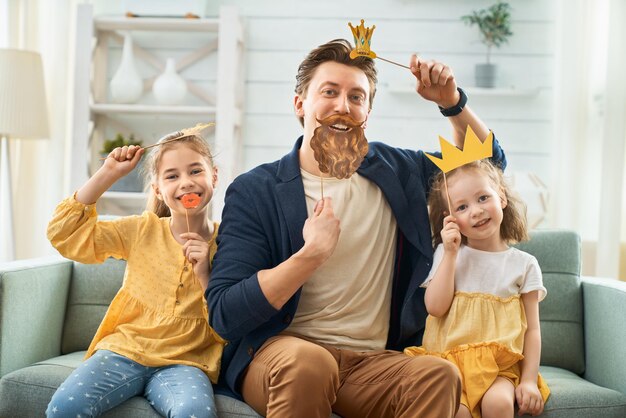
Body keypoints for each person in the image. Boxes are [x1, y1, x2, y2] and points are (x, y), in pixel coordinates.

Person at [207, 38, 507, 418]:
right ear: (300, 103)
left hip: (371, 364)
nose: (343, 106)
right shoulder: (256, 190)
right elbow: (224, 313)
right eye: (329, 92)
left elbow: (488, 168)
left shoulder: (399, 171)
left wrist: (452, 103)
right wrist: (309, 256)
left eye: (356, 96)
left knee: (439, 374)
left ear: (367, 111)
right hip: (282, 353)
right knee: (310, 364)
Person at [45, 133, 225, 418]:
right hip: (123, 351)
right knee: (64, 407)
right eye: (171, 176)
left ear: (214, 176)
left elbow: (229, 319)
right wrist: (107, 174)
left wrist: (205, 274)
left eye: (195, 170)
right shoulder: (141, 230)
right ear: (157, 189)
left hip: (186, 362)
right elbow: (64, 235)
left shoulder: (229, 243)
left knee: (196, 413)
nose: (186, 182)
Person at [404, 159, 550, 418]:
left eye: (483, 198)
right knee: (456, 412)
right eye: (462, 206)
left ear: (501, 197)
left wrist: (528, 380)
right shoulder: (446, 254)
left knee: (499, 404)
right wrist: (450, 254)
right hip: (447, 366)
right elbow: (435, 308)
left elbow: (533, 330)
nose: (476, 211)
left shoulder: (524, 265)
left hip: (499, 369)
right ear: (450, 219)